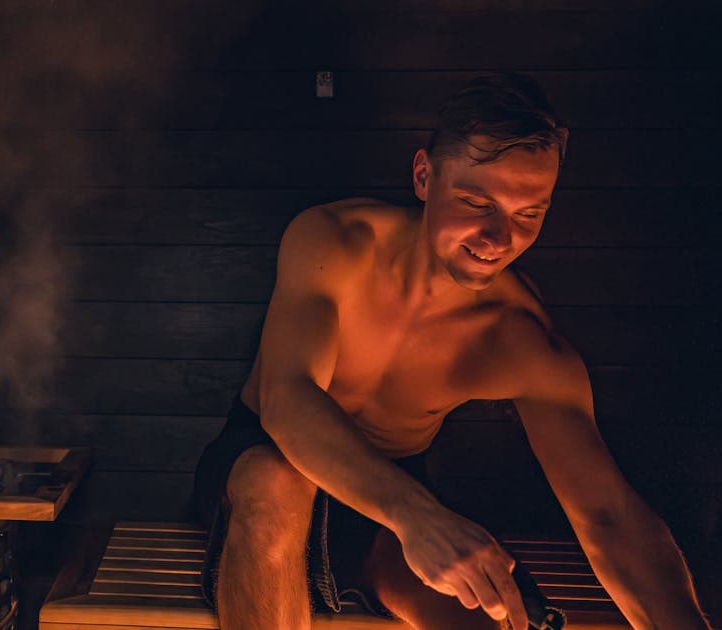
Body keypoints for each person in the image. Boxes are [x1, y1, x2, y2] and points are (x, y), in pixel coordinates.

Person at [191, 72, 711, 629]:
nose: (497, 238)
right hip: (263, 461)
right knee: (276, 483)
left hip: (390, 499)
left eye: (528, 214)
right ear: (424, 176)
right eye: (475, 201)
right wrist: (417, 515)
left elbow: (607, 514)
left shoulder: (519, 338)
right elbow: (287, 401)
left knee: (481, 612)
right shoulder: (335, 242)